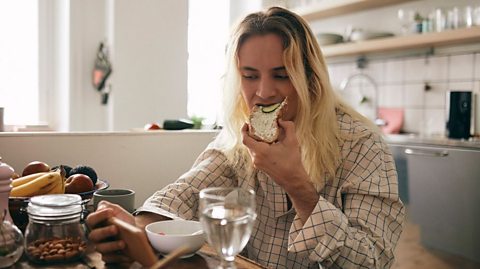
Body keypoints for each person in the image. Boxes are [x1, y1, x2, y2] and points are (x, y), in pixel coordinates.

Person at [86, 6, 405, 268]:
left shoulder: (362, 144)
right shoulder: (240, 138)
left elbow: (372, 260)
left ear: (310, 79)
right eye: (250, 76)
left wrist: (298, 186)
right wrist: (134, 231)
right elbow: (185, 192)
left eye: (281, 75)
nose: (264, 93)